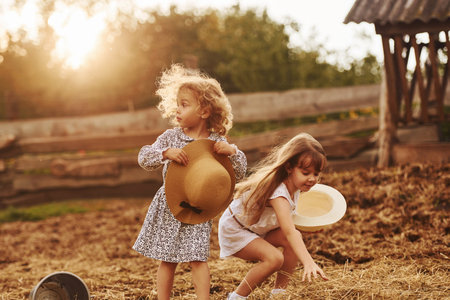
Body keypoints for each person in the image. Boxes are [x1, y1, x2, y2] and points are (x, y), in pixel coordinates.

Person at [133, 64, 247, 300]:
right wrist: (165, 153)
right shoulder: (171, 137)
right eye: (177, 104)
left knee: (198, 257)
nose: (177, 110)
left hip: (200, 206)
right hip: (170, 205)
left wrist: (232, 151)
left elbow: (239, 172)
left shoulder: (216, 142)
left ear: (204, 111)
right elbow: (144, 157)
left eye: (184, 105)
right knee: (168, 258)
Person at [218, 133, 328, 299]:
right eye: (306, 173)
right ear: (289, 167)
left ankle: (279, 294)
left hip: (256, 228)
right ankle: (237, 297)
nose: (312, 179)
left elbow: (289, 222)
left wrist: (307, 227)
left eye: (316, 173)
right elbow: (289, 230)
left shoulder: (296, 187)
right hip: (236, 230)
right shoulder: (278, 192)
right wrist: (308, 261)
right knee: (275, 258)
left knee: (292, 240)